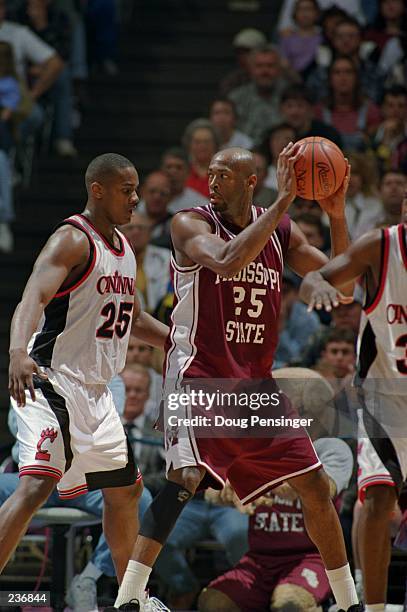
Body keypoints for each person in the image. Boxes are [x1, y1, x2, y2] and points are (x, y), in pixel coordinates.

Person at [107, 144, 362, 612]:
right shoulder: (191, 222)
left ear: (250, 182)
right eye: (212, 175)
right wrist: (285, 202)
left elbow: (342, 286)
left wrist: (337, 214)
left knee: (314, 484)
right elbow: (226, 260)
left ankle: (349, 603)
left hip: (256, 385)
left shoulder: (280, 229)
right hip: (198, 375)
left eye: (225, 175)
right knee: (185, 477)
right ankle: (129, 598)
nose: (214, 182)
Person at [2, 153, 169, 609]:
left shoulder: (123, 247)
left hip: (96, 393)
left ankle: (132, 600)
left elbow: (128, 314)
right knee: (36, 485)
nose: (136, 199)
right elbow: (32, 296)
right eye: (127, 189)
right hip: (50, 382)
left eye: (137, 189)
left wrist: (175, 340)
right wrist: (18, 352)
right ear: (98, 189)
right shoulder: (71, 240)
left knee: (127, 490)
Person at [299, 186, 407, 612]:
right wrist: (319, 292)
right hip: (386, 396)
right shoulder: (381, 246)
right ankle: (373, 606)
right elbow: (315, 278)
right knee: (378, 497)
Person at [160, 147, 207, 214]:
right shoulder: (152, 200)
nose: (173, 171)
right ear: (161, 171)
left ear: (188, 173)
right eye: (169, 167)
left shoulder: (200, 205)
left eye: (179, 167)